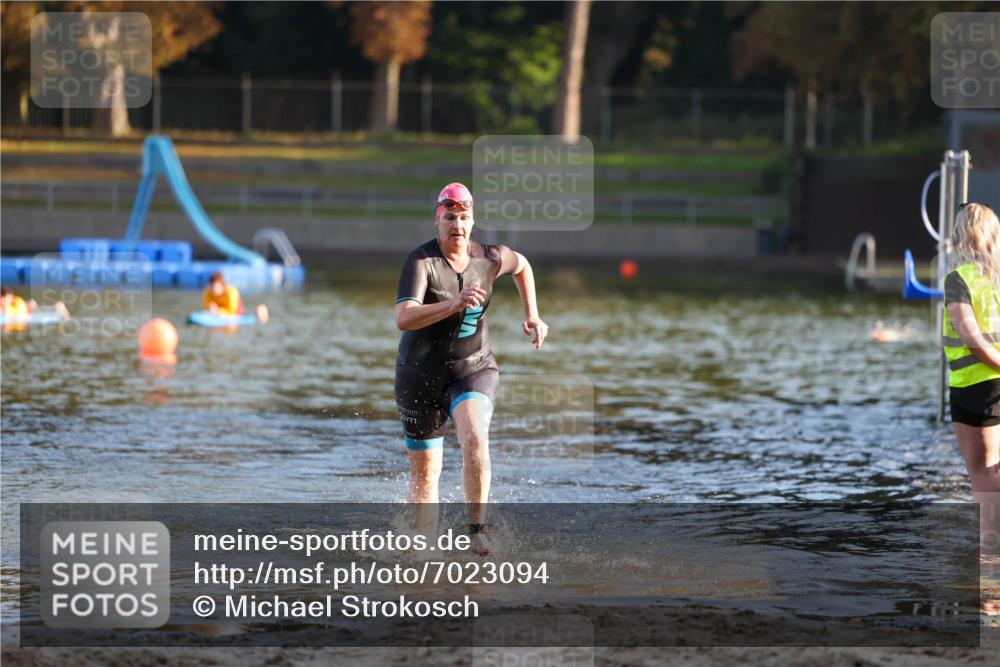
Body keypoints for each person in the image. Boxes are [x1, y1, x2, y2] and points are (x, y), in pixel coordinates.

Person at [394, 183, 548, 556]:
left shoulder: (490, 257)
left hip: (473, 367)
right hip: (420, 377)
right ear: (437, 221)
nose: (457, 226)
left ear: (472, 221)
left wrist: (532, 315)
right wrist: (454, 304)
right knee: (427, 474)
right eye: (449, 218)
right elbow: (403, 317)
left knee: (474, 435)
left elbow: (523, 265)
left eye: (464, 218)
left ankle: (477, 530)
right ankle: (423, 554)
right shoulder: (422, 262)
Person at [942, 202, 1000, 553]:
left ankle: (992, 555)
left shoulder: (958, 279)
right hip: (994, 382)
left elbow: (970, 337)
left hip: (975, 385)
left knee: (982, 471)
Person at [203, 272, 269, 323]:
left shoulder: (231, 291)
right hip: (221, 312)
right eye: (212, 286)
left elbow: (232, 311)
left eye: (216, 286)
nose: (214, 289)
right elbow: (206, 307)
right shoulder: (208, 292)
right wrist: (210, 309)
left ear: (222, 285)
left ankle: (261, 309)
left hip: (238, 312)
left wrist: (218, 311)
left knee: (256, 313)